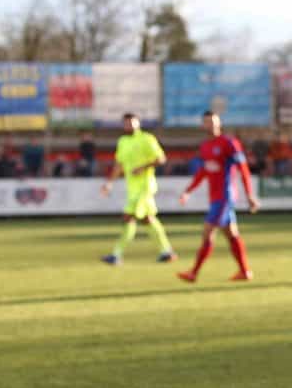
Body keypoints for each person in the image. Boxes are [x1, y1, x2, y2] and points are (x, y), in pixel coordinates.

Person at [176, 111, 260, 282]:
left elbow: (243, 169)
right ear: (203, 125)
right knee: (231, 234)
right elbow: (203, 172)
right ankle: (245, 271)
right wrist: (188, 190)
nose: (210, 125)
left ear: (219, 123)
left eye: (213, 122)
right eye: (207, 122)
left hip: (225, 196)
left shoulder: (229, 143)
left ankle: (194, 272)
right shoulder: (205, 146)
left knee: (208, 232)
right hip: (215, 197)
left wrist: (249, 195)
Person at [99, 113, 177, 265]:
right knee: (148, 220)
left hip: (146, 186)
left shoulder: (147, 139)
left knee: (129, 218)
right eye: (126, 123)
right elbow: (119, 165)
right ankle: (167, 251)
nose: (130, 126)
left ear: (138, 123)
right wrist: (109, 183)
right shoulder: (122, 141)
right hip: (132, 188)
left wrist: (143, 167)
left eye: (132, 123)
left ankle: (116, 254)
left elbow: (161, 159)